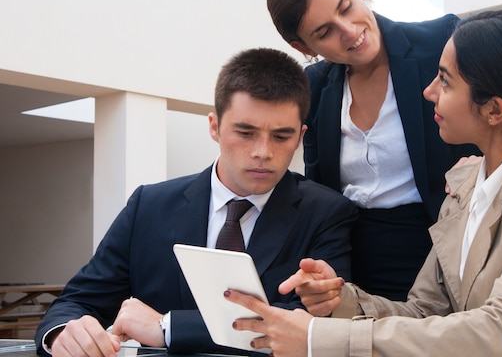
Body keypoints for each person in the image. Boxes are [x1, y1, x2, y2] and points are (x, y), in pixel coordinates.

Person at [225, 10, 502, 357]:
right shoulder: (465, 184)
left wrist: (321, 340)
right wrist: (342, 301)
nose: (428, 91)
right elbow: (425, 312)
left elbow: (501, 334)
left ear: (494, 110)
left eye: (445, 81)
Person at [34, 48, 358, 357]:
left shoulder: (327, 213)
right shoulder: (149, 205)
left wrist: (167, 327)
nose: (263, 151)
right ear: (214, 127)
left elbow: (312, 329)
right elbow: (77, 301)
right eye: (245, 133)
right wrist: (64, 333)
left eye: (281, 136)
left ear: (301, 137)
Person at [266, 0, 480, 300]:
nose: (349, 31)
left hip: (452, 253)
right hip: (355, 271)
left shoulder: (442, 42)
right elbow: (320, 191)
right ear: (304, 48)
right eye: (324, 32)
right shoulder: (315, 88)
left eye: (346, 7)